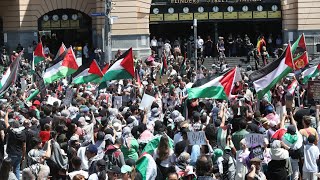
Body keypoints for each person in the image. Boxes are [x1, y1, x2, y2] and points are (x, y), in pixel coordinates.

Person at [4, 109, 26, 180]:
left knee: (9, 170)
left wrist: (7, 113)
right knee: (17, 169)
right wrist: (23, 155)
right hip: (19, 154)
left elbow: (6, 122)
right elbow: (24, 146)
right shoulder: (22, 133)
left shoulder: (11, 131)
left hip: (11, 154)